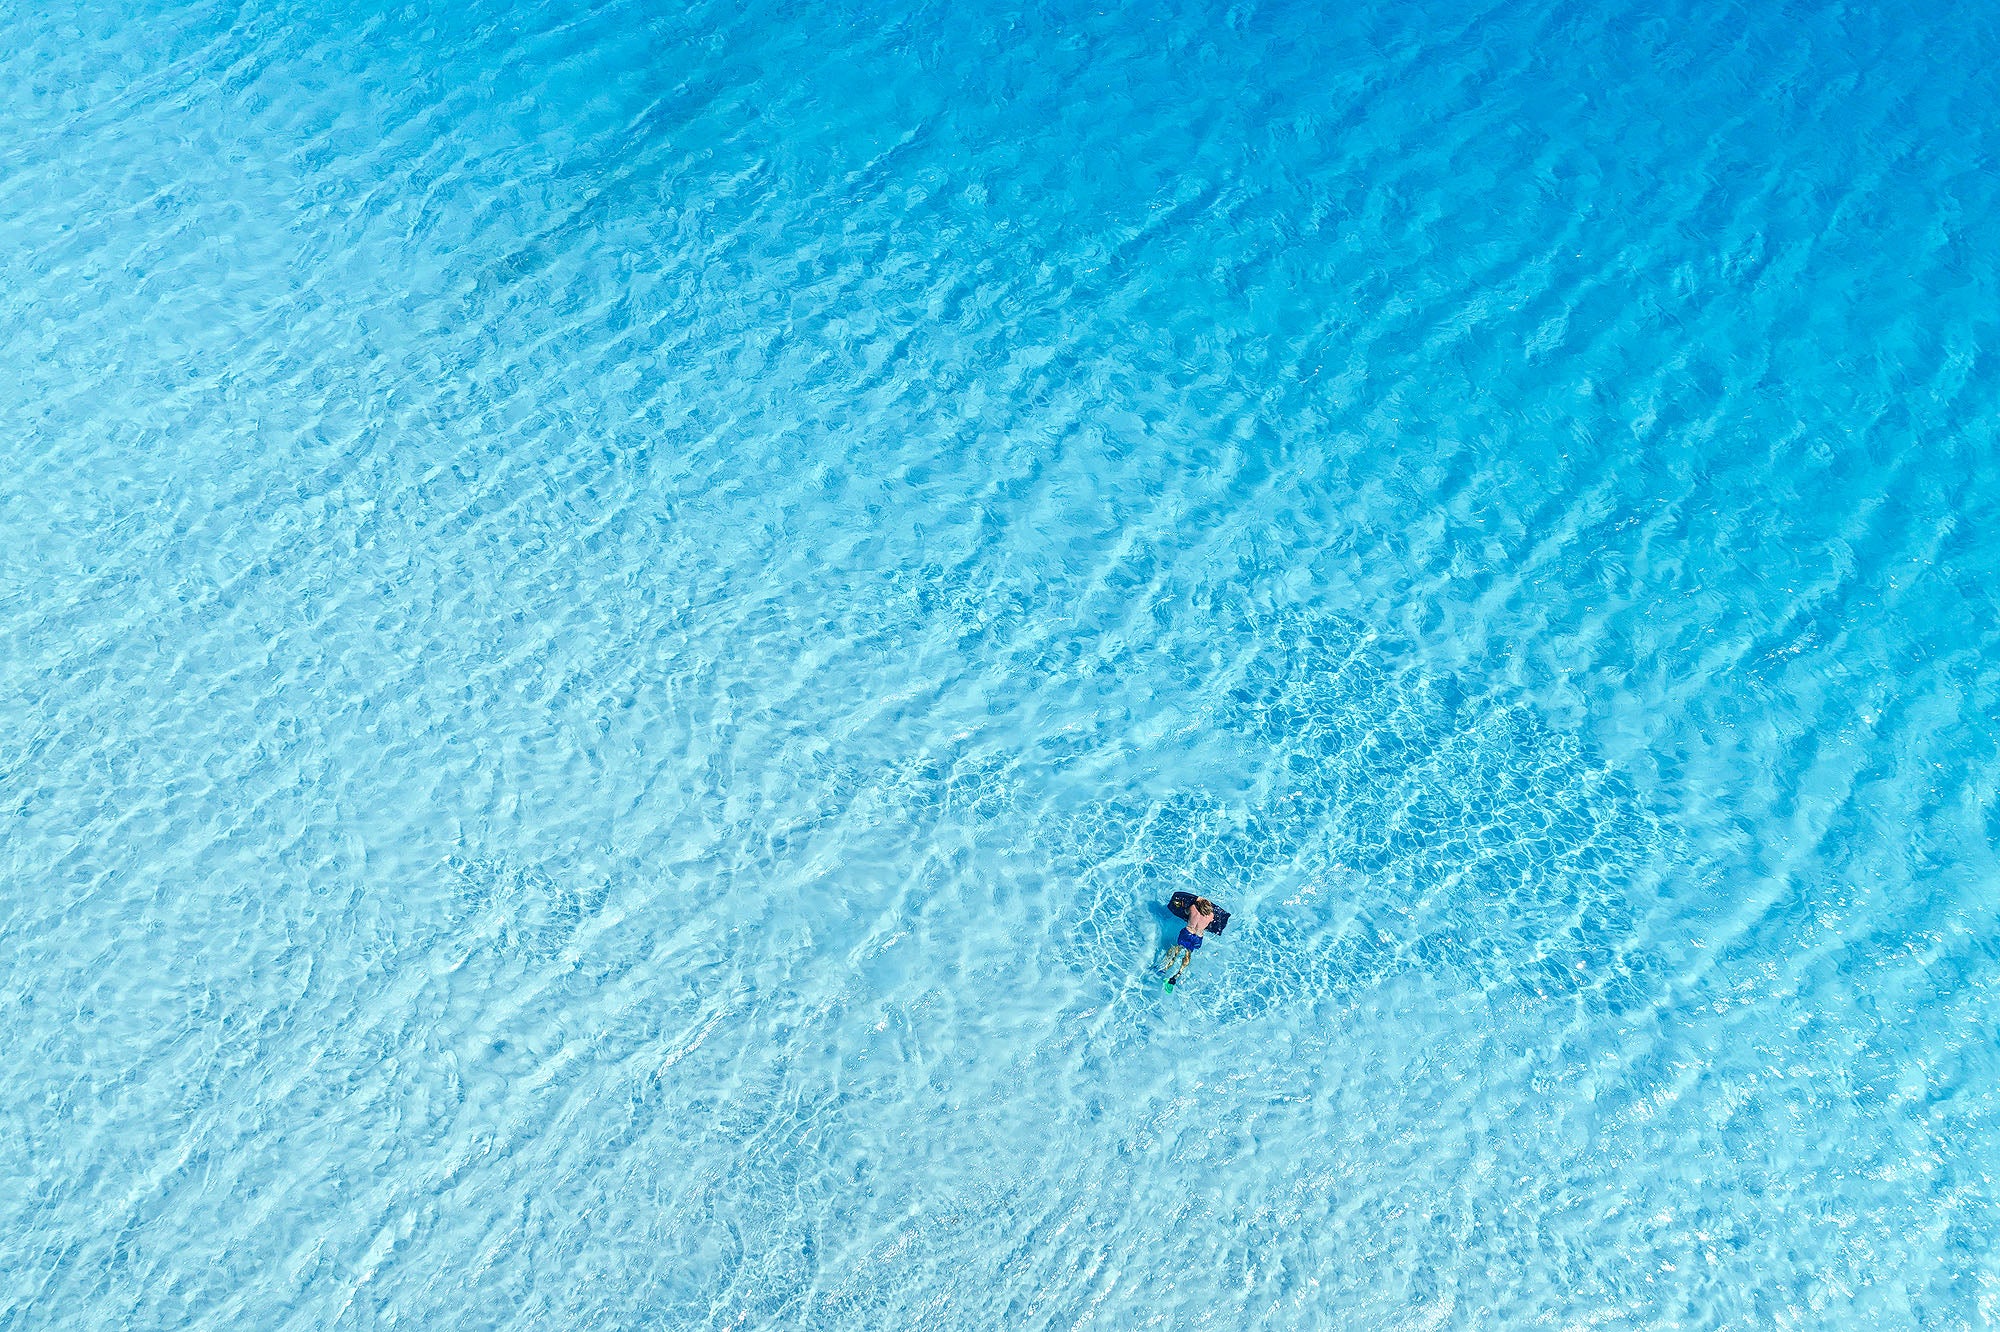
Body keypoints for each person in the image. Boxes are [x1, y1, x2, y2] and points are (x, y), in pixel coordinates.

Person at [1158, 897, 1215, 989]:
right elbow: (1211, 922)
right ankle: (1177, 974)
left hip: (1187, 933)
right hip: (1198, 938)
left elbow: (1186, 912)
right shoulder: (1211, 915)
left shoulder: (1193, 908)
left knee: (1176, 950)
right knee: (1188, 954)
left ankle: (1164, 969)